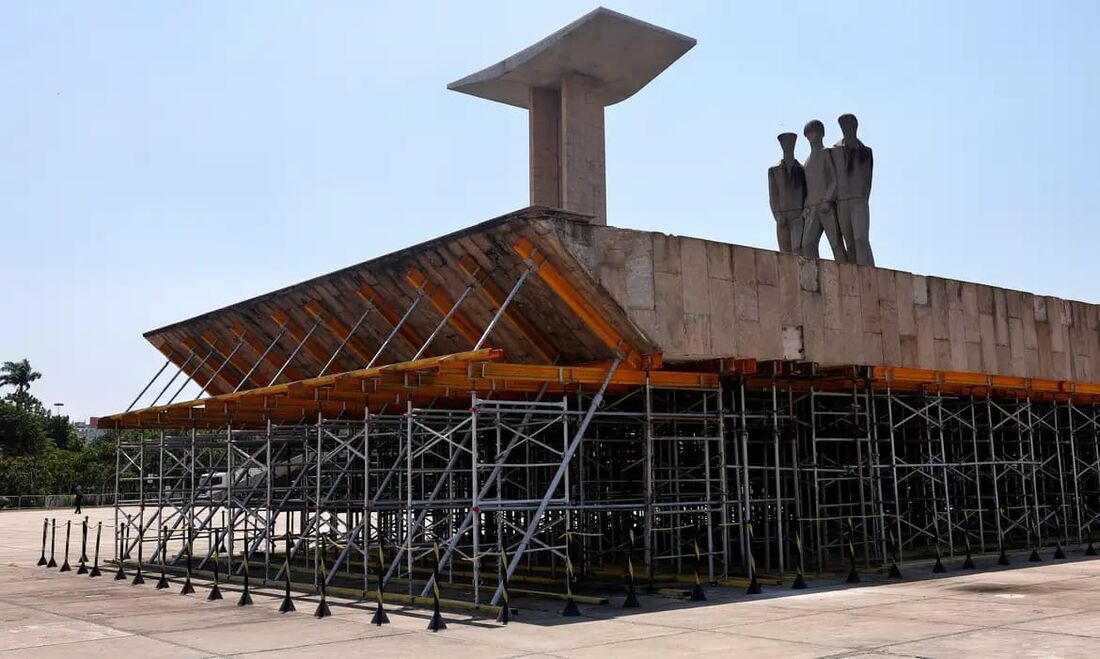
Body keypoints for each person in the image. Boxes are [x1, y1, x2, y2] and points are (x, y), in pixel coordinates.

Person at [830, 113, 875, 265]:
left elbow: (868, 180)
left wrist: (862, 199)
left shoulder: (866, 151)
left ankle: (867, 272)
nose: (846, 129)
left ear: (855, 126)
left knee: (860, 239)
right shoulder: (834, 151)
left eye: (849, 125)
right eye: (843, 126)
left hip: (858, 200)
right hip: (842, 201)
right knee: (849, 242)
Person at [800, 119, 848, 260]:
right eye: (808, 134)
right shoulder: (807, 162)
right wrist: (805, 206)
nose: (810, 137)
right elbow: (807, 187)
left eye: (813, 133)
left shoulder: (827, 153)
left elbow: (834, 180)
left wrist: (828, 200)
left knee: (836, 244)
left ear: (821, 134)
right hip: (812, 209)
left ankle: (845, 274)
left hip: (826, 206)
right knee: (807, 245)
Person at [767, 132, 807, 253]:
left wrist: (804, 213)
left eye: (790, 143)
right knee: (784, 252)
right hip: (782, 217)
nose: (788, 146)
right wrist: (778, 215)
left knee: (797, 249)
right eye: (785, 143)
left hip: (798, 216)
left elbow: (806, 193)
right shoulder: (774, 170)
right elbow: (773, 196)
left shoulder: (802, 169)